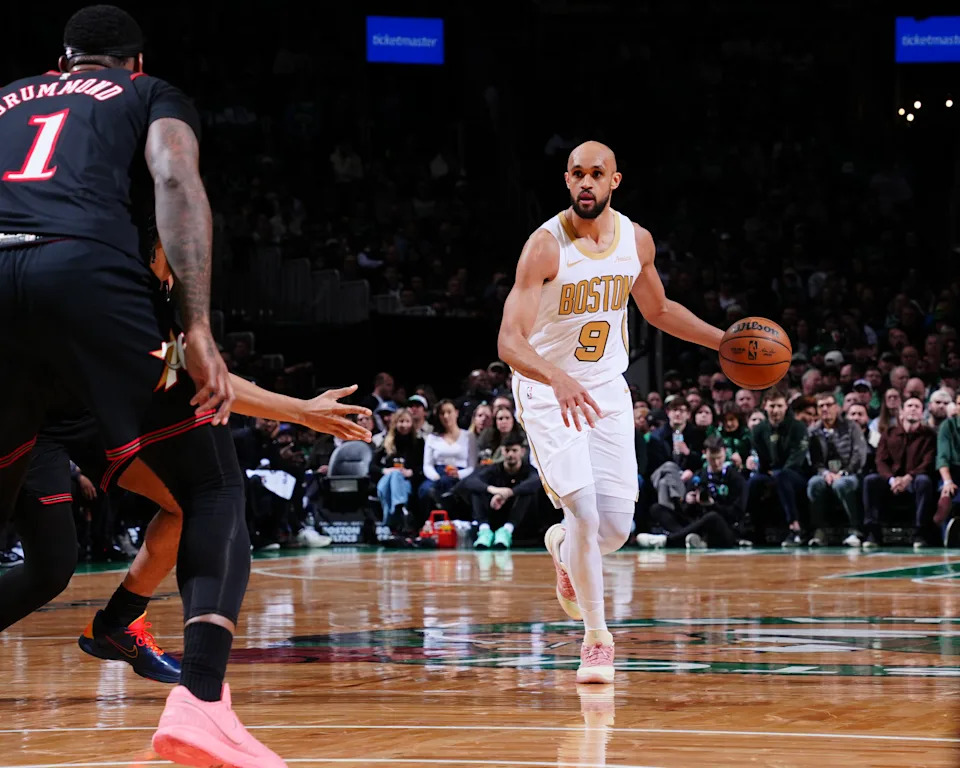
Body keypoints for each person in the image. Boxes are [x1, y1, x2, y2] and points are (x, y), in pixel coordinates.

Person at [0, 7, 281, 765]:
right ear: (135, 60)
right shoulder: (148, 94)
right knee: (212, 488)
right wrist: (195, 324)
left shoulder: (7, 96)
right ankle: (202, 703)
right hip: (82, 270)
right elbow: (173, 176)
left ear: (61, 63)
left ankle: (122, 621)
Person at [497, 141, 723, 684]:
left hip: (604, 387)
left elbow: (660, 309)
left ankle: (560, 546)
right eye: (577, 174)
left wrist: (725, 342)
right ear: (567, 179)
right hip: (548, 389)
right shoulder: (545, 247)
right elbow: (509, 340)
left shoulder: (635, 241)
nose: (586, 183)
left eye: (596, 174)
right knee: (582, 508)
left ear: (615, 180)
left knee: (616, 529)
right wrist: (557, 377)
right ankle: (597, 637)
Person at [637, 436, 748, 549]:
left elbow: (737, 513)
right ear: (705, 454)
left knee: (712, 517)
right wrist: (688, 501)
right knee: (657, 509)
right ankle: (690, 539)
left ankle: (667, 541)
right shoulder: (700, 475)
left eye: (719, 458)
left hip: (724, 528)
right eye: (712, 458)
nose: (716, 462)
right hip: (696, 524)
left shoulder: (736, 479)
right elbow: (685, 511)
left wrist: (713, 505)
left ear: (724, 452)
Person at [862, 397, 935, 549]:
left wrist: (908, 478)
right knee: (870, 480)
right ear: (902, 411)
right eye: (909, 405)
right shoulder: (889, 433)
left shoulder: (929, 435)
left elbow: (927, 462)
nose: (913, 409)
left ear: (922, 413)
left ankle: (920, 533)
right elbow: (880, 460)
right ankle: (872, 533)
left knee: (924, 481)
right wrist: (892, 480)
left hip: (914, 479)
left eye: (917, 406)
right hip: (891, 481)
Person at [462, 433, 542, 550]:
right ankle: (484, 530)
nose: (510, 454)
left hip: (519, 518)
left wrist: (509, 492)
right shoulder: (494, 469)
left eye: (514, 450)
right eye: (507, 450)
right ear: (502, 451)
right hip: (494, 512)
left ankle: (507, 531)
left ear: (522, 451)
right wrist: (495, 491)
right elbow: (470, 481)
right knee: (477, 490)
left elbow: (536, 482)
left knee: (527, 491)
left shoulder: (529, 470)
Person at [370, 407, 424, 527]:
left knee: (395, 477)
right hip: (387, 479)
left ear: (412, 423)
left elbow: (423, 466)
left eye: (407, 421)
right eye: (400, 421)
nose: (404, 425)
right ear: (395, 423)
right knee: (394, 474)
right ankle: (399, 509)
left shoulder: (419, 443)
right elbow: (372, 466)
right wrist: (385, 470)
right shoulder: (386, 442)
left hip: (407, 481)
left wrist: (411, 472)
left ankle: (390, 520)